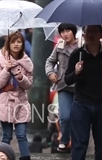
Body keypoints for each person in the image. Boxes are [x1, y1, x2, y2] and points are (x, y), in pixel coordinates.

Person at [65, 25, 102, 160]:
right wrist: (76, 72)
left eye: (94, 31)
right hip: (81, 103)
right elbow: (67, 79)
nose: (90, 35)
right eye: (88, 31)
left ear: (100, 34)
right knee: (79, 142)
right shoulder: (77, 54)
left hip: (100, 104)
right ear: (84, 34)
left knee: (101, 142)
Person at [0, 31, 34, 160]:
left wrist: (21, 78)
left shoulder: (26, 61)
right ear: (8, 43)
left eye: (19, 42)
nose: (16, 44)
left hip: (21, 102)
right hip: (5, 102)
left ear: (22, 44)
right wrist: (6, 70)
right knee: (7, 135)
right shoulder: (0, 60)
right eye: (13, 41)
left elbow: (29, 85)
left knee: (21, 134)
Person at [45, 23, 80, 152]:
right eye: (62, 32)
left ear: (73, 32)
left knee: (79, 117)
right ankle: (65, 140)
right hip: (64, 85)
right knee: (65, 116)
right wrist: (51, 73)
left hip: (80, 86)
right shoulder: (59, 46)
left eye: (68, 31)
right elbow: (49, 61)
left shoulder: (82, 45)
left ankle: (78, 142)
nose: (65, 34)